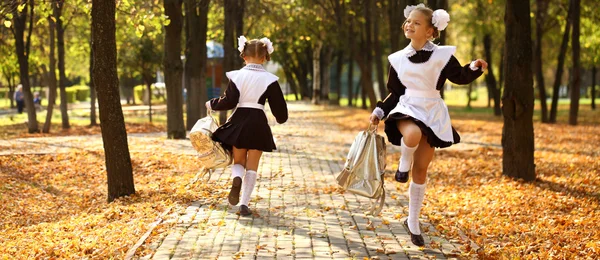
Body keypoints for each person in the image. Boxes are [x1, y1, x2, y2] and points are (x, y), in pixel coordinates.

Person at [369, 4, 488, 246]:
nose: (409, 24)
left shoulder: (442, 56)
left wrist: (474, 67)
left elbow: (460, 76)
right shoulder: (397, 59)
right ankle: (402, 165)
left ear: (431, 32)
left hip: (432, 112)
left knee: (421, 170)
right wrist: (380, 111)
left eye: (416, 22)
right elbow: (395, 93)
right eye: (408, 21)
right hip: (407, 107)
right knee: (411, 134)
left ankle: (413, 221)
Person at [206, 36, 288, 216]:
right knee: (252, 166)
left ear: (243, 56)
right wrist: (281, 118)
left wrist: (212, 104)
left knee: (239, 160)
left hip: (239, 121)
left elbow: (230, 101)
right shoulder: (270, 79)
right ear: (265, 57)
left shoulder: (238, 75)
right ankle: (244, 204)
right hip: (258, 123)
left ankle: (236, 179)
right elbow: (278, 106)